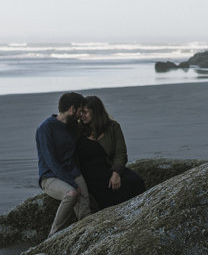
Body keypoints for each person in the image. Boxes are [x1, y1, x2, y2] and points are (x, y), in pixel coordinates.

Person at [76, 95, 146, 210]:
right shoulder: (79, 130)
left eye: (85, 112)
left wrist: (116, 173)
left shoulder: (113, 127)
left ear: (96, 111)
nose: (82, 116)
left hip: (109, 168)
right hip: (88, 173)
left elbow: (121, 152)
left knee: (135, 181)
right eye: (81, 112)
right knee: (108, 188)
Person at [35, 92, 91, 236]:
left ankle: (86, 239)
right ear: (72, 109)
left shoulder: (73, 127)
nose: (80, 115)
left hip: (72, 172)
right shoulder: (45, 128)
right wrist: (73, 184)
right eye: (79, 111)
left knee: (86, 214)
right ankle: (53, 237)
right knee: (72, 194)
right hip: (50, 176)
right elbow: (51, 161)